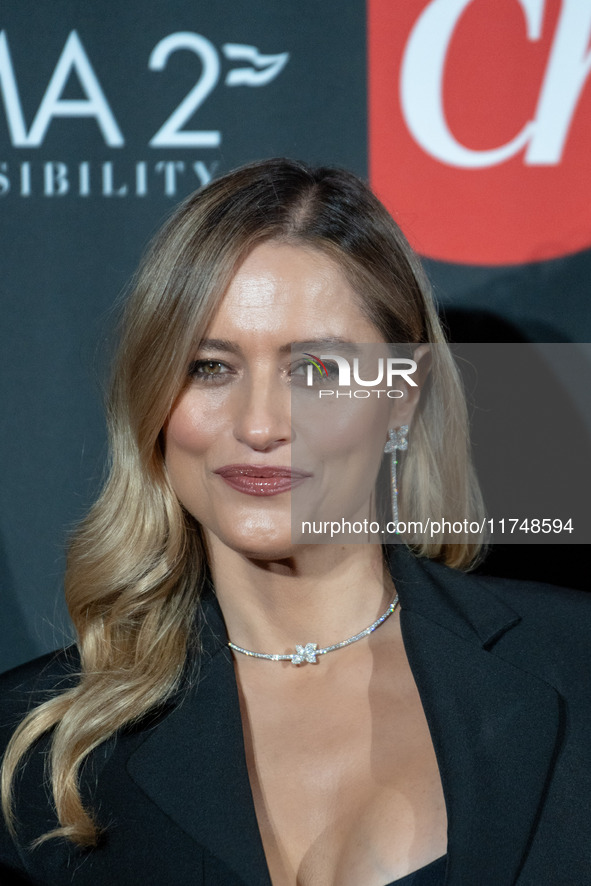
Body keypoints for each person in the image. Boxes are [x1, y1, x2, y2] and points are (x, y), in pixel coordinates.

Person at [1, 158, 590, 886]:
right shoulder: (38, 748)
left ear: (403, 398)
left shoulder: (573, 665)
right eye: (209, 368)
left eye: (316, 370)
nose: (259, 425)